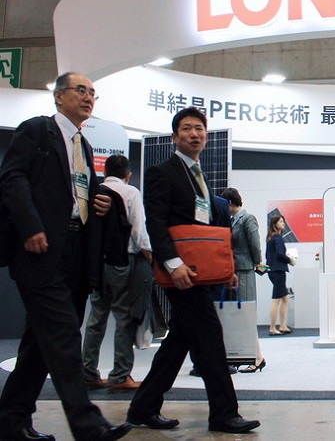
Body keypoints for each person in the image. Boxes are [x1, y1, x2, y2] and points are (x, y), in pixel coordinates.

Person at [0, 72, 131, 440]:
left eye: (93, 93)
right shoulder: (36, 130)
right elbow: (12, 178)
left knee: (39, 346)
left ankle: (11, 421)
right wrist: (30, 226)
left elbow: (78, 194)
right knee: (63, 339)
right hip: (40, 250)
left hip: (75, 253)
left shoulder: (84, 146)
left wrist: (101, 202)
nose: (88, 98)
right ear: (59, 96)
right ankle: (88, 425)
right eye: (80, 90)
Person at [126, 107, 260, 434]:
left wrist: (224, 268)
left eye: (199, 128)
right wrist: (173, 265)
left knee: (179, 341)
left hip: (201, 270)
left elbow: (207, 230)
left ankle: (143, 408)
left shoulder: (199, 175)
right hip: (181, 272)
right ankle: (224, 414)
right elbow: (156, 223)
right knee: (210, 337)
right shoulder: (162, 172)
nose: (194, 134)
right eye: (186, 128)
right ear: (175, 137)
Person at [82, 155, 153, 391]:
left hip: (96, 263)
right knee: (124, 318)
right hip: (122, 261)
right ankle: (120, 376)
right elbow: (138, 231)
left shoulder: (95, 191)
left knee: (96, 317)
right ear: (128, 175)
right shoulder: (130, 192)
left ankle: (88, 373)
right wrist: (151, 258)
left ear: (105, 172)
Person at [221, 187, 266, 372]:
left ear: (231, 203)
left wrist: (257, 262)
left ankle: (257, 358)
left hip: (245, 270)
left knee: (246, 314)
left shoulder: (248, 218)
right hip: (235, 271)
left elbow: (255, 244)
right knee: (239, 315)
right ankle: (252, 356)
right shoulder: (232, 220)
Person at [266, 214, 294, 336]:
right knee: (276, 300)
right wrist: (290, 260)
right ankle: (272, 328)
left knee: (285, 298)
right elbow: (280, 254)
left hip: (273, 271)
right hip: (278, 271)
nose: (283, 224)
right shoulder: (277, 238)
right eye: (281, 222)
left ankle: (282, 325)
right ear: (275, 224)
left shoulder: (270, 238)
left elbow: (268, 255)